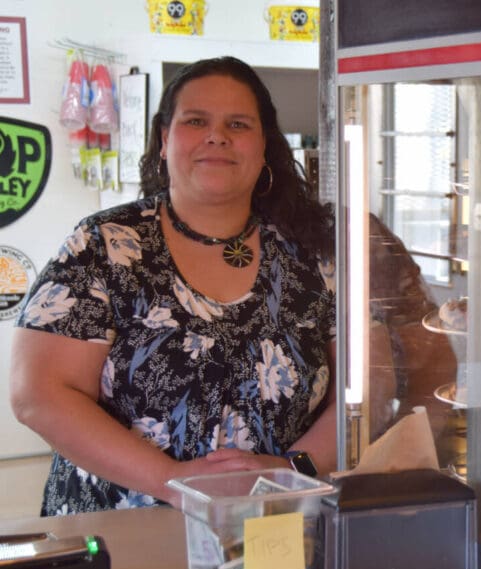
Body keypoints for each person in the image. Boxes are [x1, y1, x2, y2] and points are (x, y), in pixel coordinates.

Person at [8, 56, 337, 514]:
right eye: (196, 120)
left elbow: (365, 389)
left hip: (273, 527)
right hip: (121, 531)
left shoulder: (312, 254)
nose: (216, 136)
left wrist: (291, 469)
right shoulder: (104, 246)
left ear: (265, 145)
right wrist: (177, 483)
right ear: (164, 140)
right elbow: (39, 395)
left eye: (238, 124)